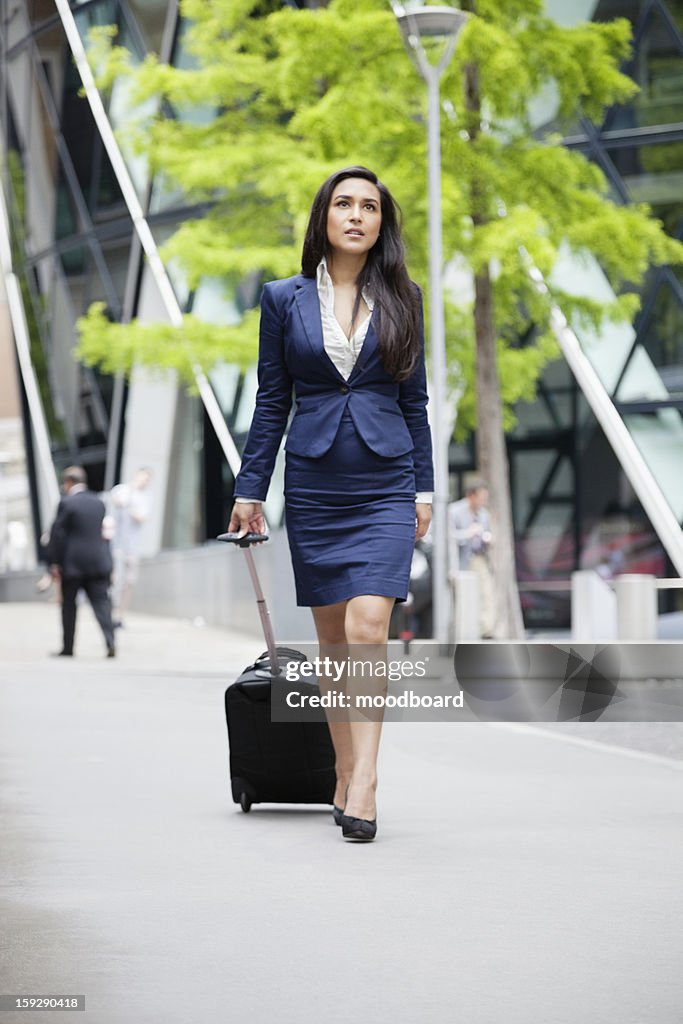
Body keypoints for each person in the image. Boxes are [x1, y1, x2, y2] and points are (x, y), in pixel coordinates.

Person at [228, 166, 434, 842]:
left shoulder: (405, 297)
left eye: (368, 206)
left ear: (381, 222)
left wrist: (424, 488)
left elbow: (415, 403)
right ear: (323, 217)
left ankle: (367, 780)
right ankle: (343, 771)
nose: (355, 215)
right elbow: (270, 400)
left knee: (368, 625)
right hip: (315, 484)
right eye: (342, 203)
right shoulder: (282, 299)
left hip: (385, 482)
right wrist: (250, 488)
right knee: (332, 645)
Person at [45, 466, 116, 658]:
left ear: (68, 482)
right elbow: (104, 533)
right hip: (97, 561)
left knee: (69, 606)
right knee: (102, 603)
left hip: (73, 564)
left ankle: (68, 647)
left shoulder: (66, 503)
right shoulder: (99, 502)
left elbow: (57, 535)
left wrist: (53, 563)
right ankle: (110, 640)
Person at [448, 480, 496, 639]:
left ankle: (485, 630)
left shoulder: (483, 513)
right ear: (471, 495)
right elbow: (447, 538)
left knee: (486, 594)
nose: (483, 501)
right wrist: (468, 533)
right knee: (463, 597)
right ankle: (463, 631)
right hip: (461, 561)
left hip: (479, 557)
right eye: (481, 497)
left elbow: (487, 532)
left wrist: (488, 539)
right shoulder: (454, 511)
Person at [109, 467, 152, 627]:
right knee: (115, 580)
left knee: (129, 581)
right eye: (143, 478)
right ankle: (112, 614)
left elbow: (142, 517)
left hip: (133, 547)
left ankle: (120, 616)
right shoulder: (122, 490)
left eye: (147, 480)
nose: (144, 482)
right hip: (117, 546)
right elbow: (117, 502)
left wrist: (132, 509)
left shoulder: (146, 497)